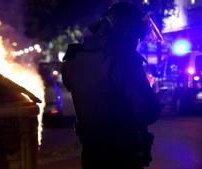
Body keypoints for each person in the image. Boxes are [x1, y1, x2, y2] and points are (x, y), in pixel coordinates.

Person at [61, 2, 161, 169]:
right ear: (126, 32)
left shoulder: (74, 57)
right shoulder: (123, 59)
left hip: (92, 153)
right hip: (123, 155)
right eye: (136, 37)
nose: (136, 42)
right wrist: (156, 100)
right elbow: (148, 111)